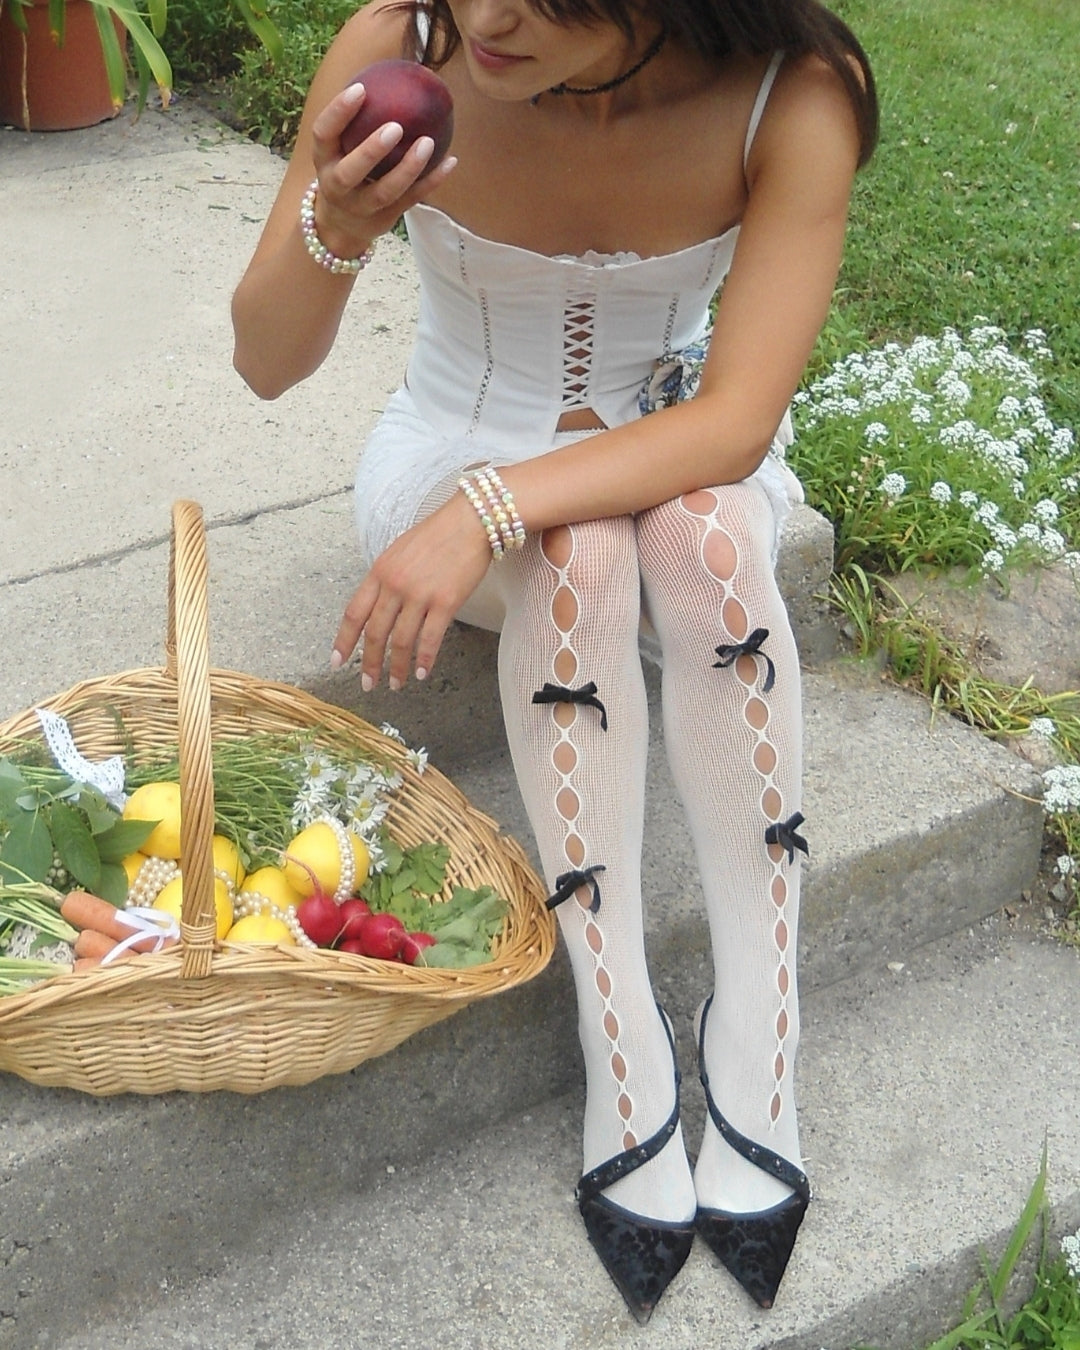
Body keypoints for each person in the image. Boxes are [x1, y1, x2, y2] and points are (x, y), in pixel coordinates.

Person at [232, 0, 877, 1323]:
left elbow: (737, 421)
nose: (493, 13)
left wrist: (497, 511)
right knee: (577, 555)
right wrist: (335, 232)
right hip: (447, 453)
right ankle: (618, 1028)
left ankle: (760, 1025)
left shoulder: (790, 92)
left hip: (672, 456)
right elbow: (264, 362)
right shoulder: (401, 49)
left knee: (708, 544)